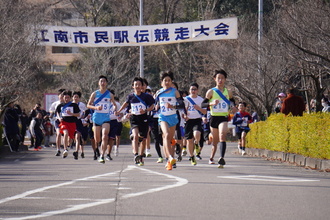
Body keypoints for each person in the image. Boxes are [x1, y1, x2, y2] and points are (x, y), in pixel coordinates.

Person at [116, 77, 155, 166]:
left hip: (143, 119)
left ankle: (141, 156)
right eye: (135, 84)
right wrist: (119, 111)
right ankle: (136, 154)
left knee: (143, 138)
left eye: (139, 84)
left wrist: (145, 110)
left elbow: (152, 105)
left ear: (142, 86)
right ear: (133, 86)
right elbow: (125, 104)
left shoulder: (146, 96)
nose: (137, 86)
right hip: (134, 119)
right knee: (135, 135)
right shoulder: (130, 96)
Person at [201, 69, 234, 168]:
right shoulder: (211, 91)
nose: (220, 80)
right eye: (218, 78)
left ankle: (222, 158)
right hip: (213, 117)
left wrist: (233, 107)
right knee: (215, 142)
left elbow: (232, 102)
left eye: (222, 78)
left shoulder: (228, 92)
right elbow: (203, 104)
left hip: (223, 117)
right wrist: (211, 103)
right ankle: (211, 157)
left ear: (225, 79)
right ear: (215, 79)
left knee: (222, 135)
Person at [155, 71, 185, 170]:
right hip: (163, 117)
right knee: (166, 135)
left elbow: (181, 105)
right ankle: (170, 157)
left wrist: (173, 106)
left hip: (173, 117)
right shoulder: (158, 93)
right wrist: (156, 106)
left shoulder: (175, 92)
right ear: (161, 82)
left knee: (170, 140)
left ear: (171, 82)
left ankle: (169, 162)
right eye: (165, 80)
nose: (167, 82)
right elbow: (155, 104)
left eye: (169, 80)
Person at [87, 75, 117, 163]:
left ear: (106, 83)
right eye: (101, 81)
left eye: (104, 81)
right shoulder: (95, 94)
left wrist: (115, 109)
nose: (103, 83)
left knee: (105, 136)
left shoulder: (110, 94)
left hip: (106, 118)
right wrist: (96, 108)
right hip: (96, 117)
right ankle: (97, 149)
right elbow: (88, 105)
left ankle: (102, 155)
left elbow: (114, 104)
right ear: (98, 83)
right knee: (97, 139)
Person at [183, 83, 207, 166]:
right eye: (191, 89)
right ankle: (192, 156)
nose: (193, 91)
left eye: (195, 89)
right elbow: (182, 111)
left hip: (197, 119)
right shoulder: (185, 99)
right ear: (189, 90)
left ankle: (196, 143)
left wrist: (198, 108)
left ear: (197, 90)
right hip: (188, 121)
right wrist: (184, 115)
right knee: (189, 140)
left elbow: (205, 111)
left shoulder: (201, 100)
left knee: (197, 134)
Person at [55, 90, 80, 158]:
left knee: (70, 139)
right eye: (65, 97)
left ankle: (68, 146)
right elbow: (57, 113)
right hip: (64, 122)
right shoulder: (60, 105)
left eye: (68, 97)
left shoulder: (74, 105)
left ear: (70, 98)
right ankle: (65, 149)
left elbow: (78, 114)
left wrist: (72, 114)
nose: (66, 99)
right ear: (63, 98)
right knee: (65, 133)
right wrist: (59, 118)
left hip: (72, 123)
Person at [49, 89, 65, 156]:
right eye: (60, 95)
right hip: (57, 120)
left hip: (65, 121)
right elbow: (51, 110)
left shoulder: (67, 104)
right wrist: (52, 113)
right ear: (58, 96)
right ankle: (58, 149)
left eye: (63, 95)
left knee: (65, 135)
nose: (61, 96)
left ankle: (65, 148)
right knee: (58, 134)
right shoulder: (55, 103)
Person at [72, 91, 88, 160]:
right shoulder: (70, 104)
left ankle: (77, 151)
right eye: (74, 97)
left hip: (79, 122)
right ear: (72, 97)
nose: (76, 98)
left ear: (79, 98)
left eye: (77, 97)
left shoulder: (82, 105)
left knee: (78, 136)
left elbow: (85, 113)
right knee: (75, 138)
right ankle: (69, 148)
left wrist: (85, 120)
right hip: (71, 122)